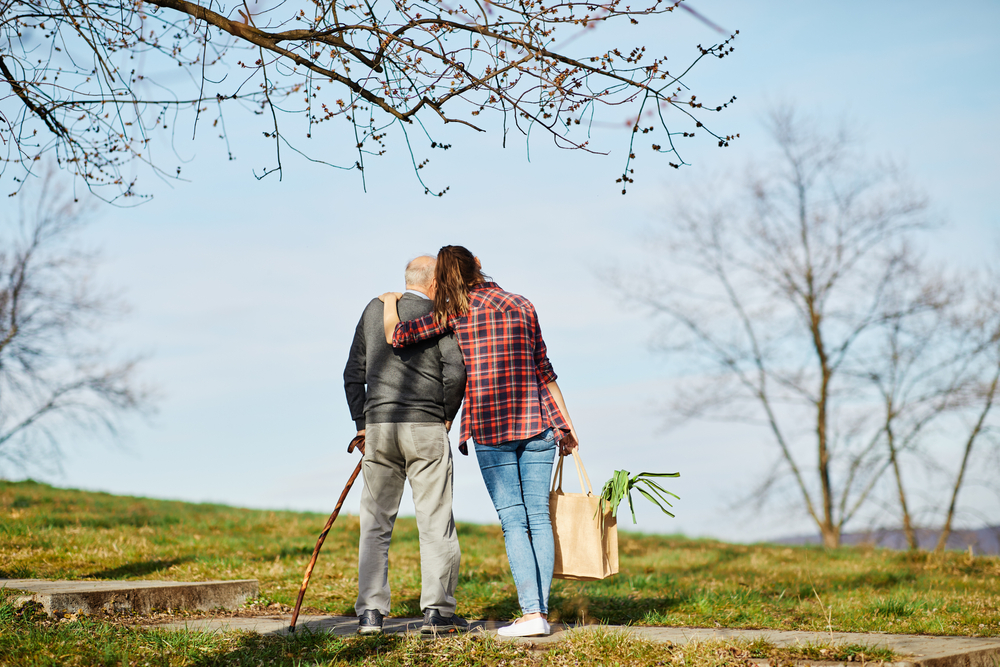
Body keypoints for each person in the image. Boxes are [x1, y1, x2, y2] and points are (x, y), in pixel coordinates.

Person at [381, 245, 579, 638]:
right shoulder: (523, 304)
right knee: (539, 518)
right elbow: (545, 370)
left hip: (491, 427)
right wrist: (567, 425)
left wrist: (389, 301)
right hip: (538, 422)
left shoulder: (454, 312)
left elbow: (397, 336)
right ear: (480, 266)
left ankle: (532, 614)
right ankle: (537, 611)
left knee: (513, 520)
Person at [344, 255, 468, 635]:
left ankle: (370, 614)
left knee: (375, 523)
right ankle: (438, 612)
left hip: (380, 426)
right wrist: (447, 414)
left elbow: (353, 373)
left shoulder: (374, 309)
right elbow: (456, 370)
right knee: (434, 520)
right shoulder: (441, 316)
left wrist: (362, 424)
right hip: (426, 425)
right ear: (434, 284)